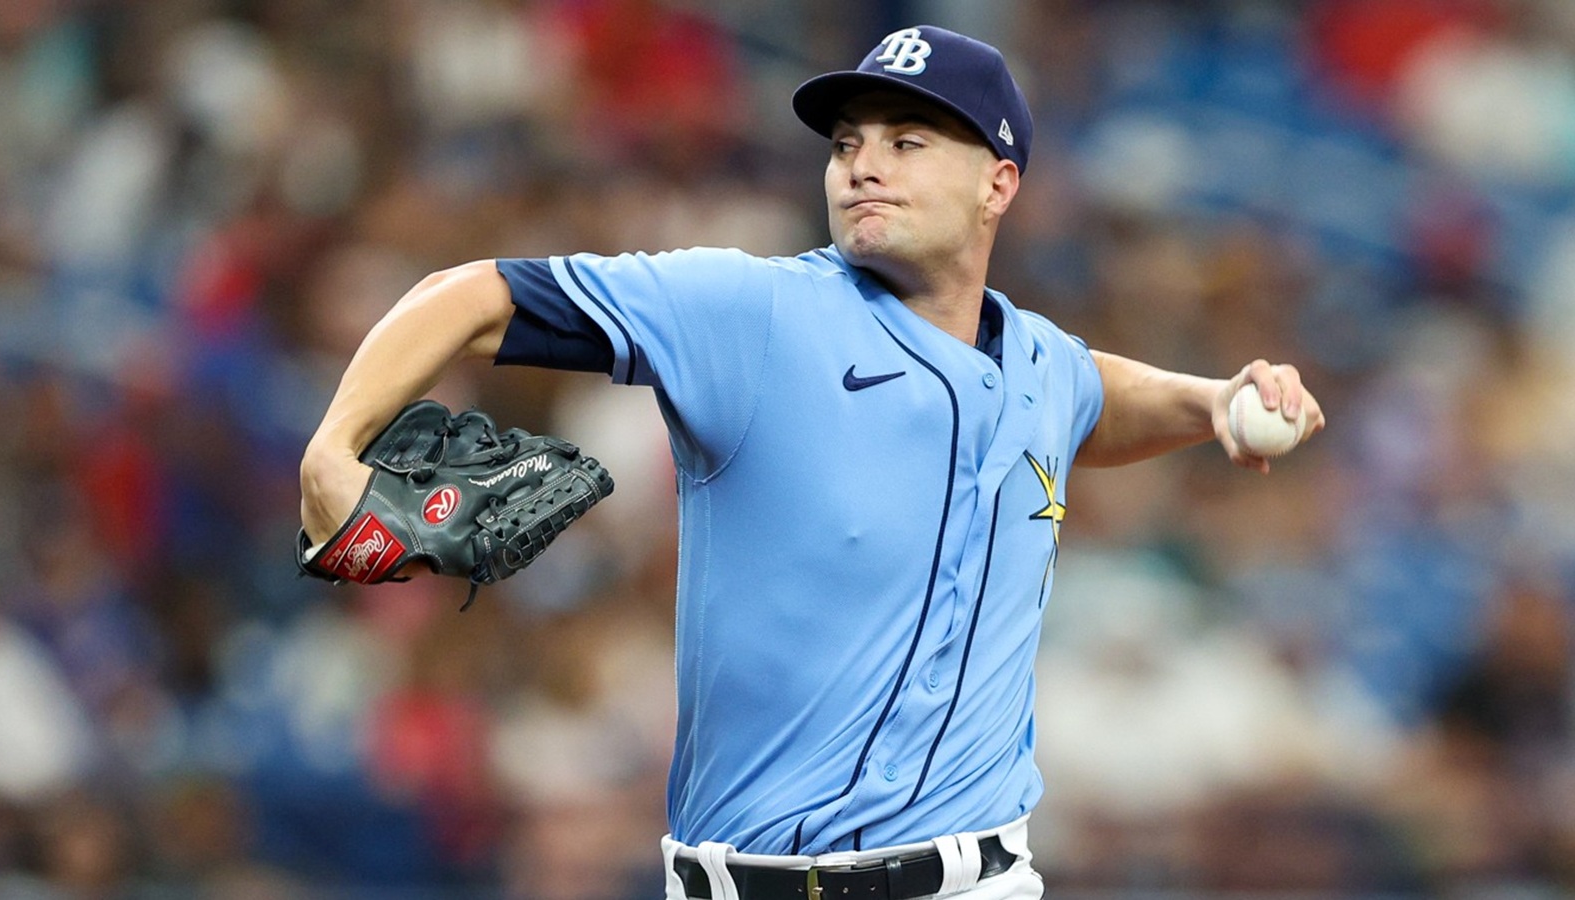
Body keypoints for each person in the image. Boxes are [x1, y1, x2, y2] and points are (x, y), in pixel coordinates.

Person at [299, 24, 1325, 900]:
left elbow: (1093, 399)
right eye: (846, 143)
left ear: (997, 183)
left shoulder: (1038, 363)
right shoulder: (753, 314)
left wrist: (1210, 402)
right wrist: (334, 451)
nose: (862, 164)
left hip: (987, 876)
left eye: (907, 141)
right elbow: (468, 294)